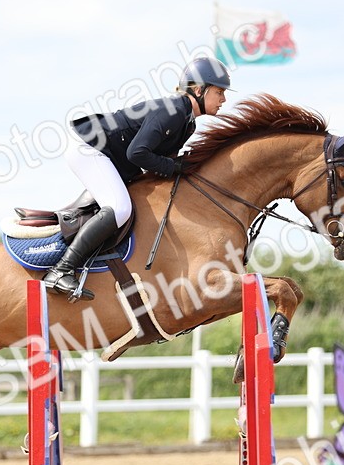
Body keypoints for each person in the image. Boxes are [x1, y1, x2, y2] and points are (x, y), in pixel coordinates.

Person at [42, 56, 232, 297]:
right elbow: (138, 153)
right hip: (90, 147)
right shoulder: (173, 111)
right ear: (199, 90)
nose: (224, 99)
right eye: (219, 92)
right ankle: (61, 270)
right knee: (120, 209)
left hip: (111, 156)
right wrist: (175, 167)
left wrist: (180, 166)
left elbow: (160, 162)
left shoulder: (188, 124)